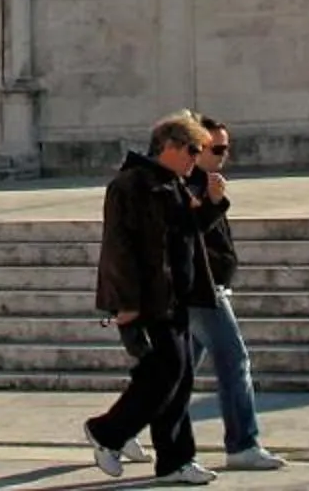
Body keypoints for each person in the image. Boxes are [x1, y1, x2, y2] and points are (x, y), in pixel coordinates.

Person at [89, 112, 218, 484]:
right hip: (147, 300)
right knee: (166, 373)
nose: (196, 158)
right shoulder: (130, 185)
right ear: (170, 146)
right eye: (192, 149)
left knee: (178, 377)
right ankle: (107, 432)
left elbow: (188, 233)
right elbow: (118, 248)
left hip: (175, 297)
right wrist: (126, 305)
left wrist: (212, 205)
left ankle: (175, 459)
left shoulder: (172, 183)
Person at [184, 119, 284, 472]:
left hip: (209, 286)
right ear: (197, 148)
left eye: (226, 148)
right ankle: (242, 444)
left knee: (176, 372)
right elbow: (189, 237)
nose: (225, 155)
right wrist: (212, 202)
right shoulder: (188, 186)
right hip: (201, 290)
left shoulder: (205, 184)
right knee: (235, 360)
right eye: (218, 148)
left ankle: (116, 432)